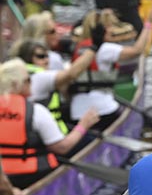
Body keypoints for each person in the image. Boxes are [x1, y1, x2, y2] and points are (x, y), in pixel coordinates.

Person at [0, 58, 100, 188]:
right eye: (28, 80)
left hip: (5, 177)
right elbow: (62, 148)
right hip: (33, 175)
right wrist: (83, 125)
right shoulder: (36, 111)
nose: (32, 82)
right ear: (15, 84)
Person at [69, 9, 152, 131]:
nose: (111, 30)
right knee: (122, 114)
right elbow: (137, 51)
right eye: (108, 27)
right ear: (101, 29)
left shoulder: (78, 48)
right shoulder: (105, 49)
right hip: (103, 111)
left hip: (77, 112)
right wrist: (148, 25)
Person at [14, 38, 96, 133]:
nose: (46, 60)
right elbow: (72, 74)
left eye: (47, 56)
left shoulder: (20, 73)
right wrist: (93, 48)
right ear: (27, 58)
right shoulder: (40, 76)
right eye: (41, 56)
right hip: (46, 135)